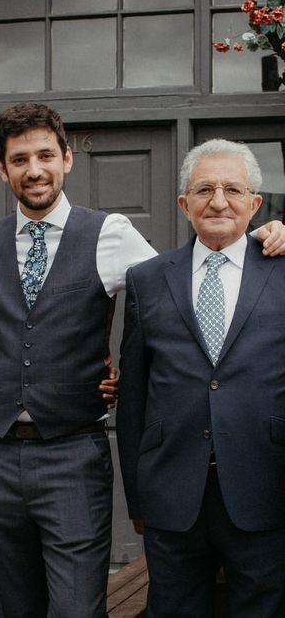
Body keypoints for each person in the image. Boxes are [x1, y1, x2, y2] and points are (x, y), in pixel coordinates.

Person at [0, 103, 285, 618]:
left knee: (76, 609)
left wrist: (263, 241)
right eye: (20, 158)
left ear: (67, 159)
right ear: (3, 169)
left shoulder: (111, 233)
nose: (35, 169)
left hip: (73, 454)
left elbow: (185, 288)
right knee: (8, 605)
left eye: (46, 155)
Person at [117, 139, 285, 618]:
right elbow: (134, 396)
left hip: (265, 486)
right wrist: (137, 495)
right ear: (183, 204)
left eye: (233, 189)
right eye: (204, 189)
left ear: (255, 204)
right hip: (172, 493)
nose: (218, 201)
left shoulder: (282, 268)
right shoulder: (147, 278)